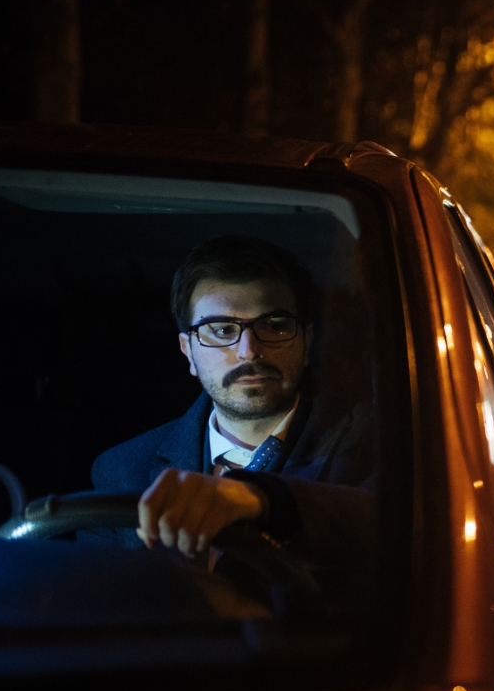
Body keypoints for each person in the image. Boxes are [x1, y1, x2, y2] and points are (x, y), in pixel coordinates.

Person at [88, 236, 374, 562]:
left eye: (274, 325)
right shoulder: (122, 470)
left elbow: (389, 522)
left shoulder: (378, 443)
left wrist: (261, 499)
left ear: (306, 343)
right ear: (189, 352)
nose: (249, 351)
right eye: (222, 330)